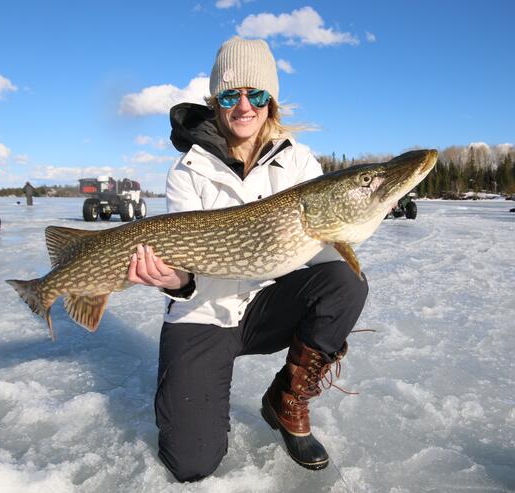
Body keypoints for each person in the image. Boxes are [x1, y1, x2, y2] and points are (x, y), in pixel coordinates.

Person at [126, 36, 368, 482]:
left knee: (346, 281)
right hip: (202, 314)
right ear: (214, 101)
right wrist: (173, 281)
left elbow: (324, 252)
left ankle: (286, 399)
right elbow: (186, 264)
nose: (244, 106)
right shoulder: (188, 170)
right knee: (191, 462)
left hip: (264, 307)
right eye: (230, 95)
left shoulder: (298, 162)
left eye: (255, 94)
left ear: (270, 101)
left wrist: (358, 215)